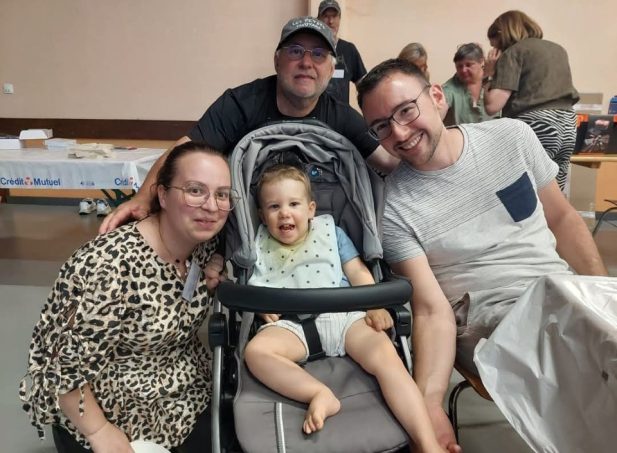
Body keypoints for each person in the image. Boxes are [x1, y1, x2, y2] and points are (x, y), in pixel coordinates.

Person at [356, 58, 607, 453]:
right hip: (491, 317)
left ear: (436, 96)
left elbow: (562, 218)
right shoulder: (393, 207)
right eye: (382, 127)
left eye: (406, 111)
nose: (399, 133)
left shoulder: (511, 138)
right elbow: (431, 310)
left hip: (562, 294)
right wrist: (429, 404)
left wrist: (603, 294)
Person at [19, 142, 235, 452]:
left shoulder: (202, 244)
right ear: (162, 195)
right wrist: (99, 431)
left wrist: (217, 265)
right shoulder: (107, 265)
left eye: (222, 194)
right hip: (107, 409)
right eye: (195, 190)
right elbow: (60, 363)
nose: (212, 206)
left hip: (185, 397)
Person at [99, 16, 397, 234]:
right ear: (277, 61)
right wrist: (142, 198)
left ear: (331, 70)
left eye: (318, 54)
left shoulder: (341, 116)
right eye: (295, 51)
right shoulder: (242, 103)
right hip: (243, 229)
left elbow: (388, 162)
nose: (307, 62)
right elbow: (185, 152)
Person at [242, 164, 445, 452]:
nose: (284, 213)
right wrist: (262, 305)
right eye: (274, 206)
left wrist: (373, 304)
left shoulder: (331, 232)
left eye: (294, 204)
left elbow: (357, 271)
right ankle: (318, 393)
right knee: (256, 352)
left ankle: (427, 443)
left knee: (386, 356)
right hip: (292, 324)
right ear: (262, 216)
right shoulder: (258, 244)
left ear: (311, 209)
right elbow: (252, 283)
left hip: (346, 316)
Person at [482, 10, 579, 191]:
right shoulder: (558, 49)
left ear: (501, 34)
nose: (496, 51)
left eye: (495, 46)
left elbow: (493, 105)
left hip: (536, 124)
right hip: (568, 123)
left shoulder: (513, 52)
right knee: (555, 192)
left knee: (526, 191)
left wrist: (489, 74)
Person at [316, 0, 367, 104]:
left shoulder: (349, 49)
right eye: (326, 16)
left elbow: (364, 88)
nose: (331, 21)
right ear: (318, 20)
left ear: (339, 19)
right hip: (315, 113)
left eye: (334, 16)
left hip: (341, 113)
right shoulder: (312, 49)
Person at [441, 43, 496, 126]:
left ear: (481, 62)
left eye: (468, 65)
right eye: (459, 66)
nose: (463, 70)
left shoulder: (495, 82)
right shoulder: (449, 89)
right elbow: (439, 111)